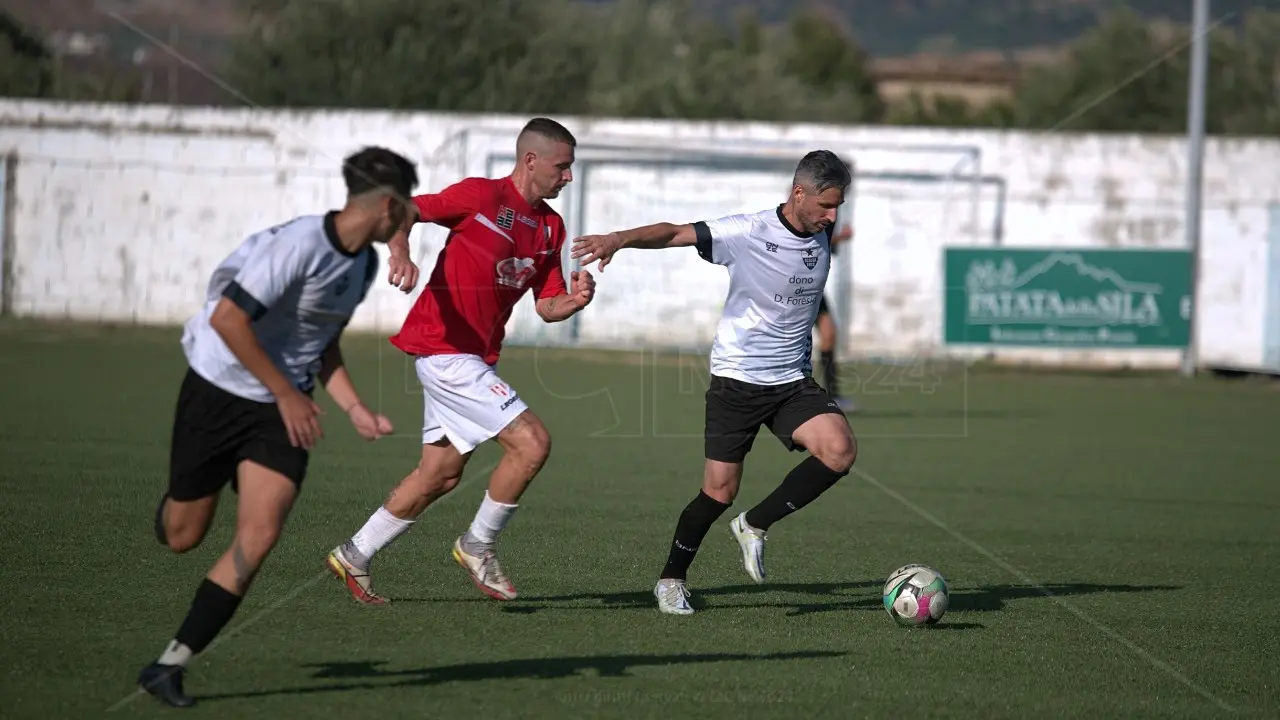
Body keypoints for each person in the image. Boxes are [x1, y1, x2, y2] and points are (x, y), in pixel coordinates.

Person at [137, 146, 419, 707]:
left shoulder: (361, 263)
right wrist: (287, 392)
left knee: (260, 535)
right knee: (183, 536)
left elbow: (321, 341)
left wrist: (354, 407)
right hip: (219, 388)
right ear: (388, 206)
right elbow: (227, 319)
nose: (411, 217)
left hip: (279, 409)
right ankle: (176, 502)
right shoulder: (300, 245)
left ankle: (170, 664)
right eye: (407, 207)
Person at [571, 150, 858, 615]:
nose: (832, 215)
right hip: (737, 381)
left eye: (838, 205)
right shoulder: (747, 231)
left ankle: (755, 524)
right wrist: (619, 238)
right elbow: (675, 233)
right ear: (797, 193)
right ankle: (671, 579)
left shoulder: (822, 231)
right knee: (719, 491)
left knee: (840, 450)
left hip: (790, 381)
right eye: (826, 205)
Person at [326, 117, 595, 605]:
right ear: (530, 160)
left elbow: (547, 305)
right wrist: (401, 254)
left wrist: (572, 302)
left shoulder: (551, 228)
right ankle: (478, 544)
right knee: (532, 444)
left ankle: (355, 553)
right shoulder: (481, 197)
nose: (568, 177)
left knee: (440, 474)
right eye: (563, 167)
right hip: (443, 348)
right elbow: (405, 212)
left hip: (473, 358)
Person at [814, 216, 859, 412]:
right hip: (792, 284)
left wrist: (837, 239)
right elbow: (808, 241)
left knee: (829, 334)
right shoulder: (809, 205)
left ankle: (833, 396)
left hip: (812, 286)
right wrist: (841, 237)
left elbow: (826, 248)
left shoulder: (832, 212)